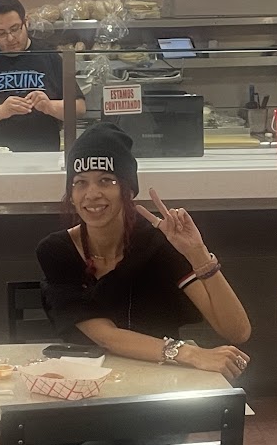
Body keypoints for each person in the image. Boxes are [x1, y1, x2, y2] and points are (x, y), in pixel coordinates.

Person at [38, 125, 251, 374]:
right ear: (72, 196)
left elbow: (237, 331)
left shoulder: (158, 241)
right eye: (80, 183)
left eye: (106, 180)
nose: (92, 194)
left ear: (127, 190)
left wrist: (197, 253)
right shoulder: (57, 251)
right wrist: (189, 353)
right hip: (83, 380)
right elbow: (106, 336)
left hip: (162, 377)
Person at [0, 0, 84, 150]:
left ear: (25, 22)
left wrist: (49, 106)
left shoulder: (49, 56)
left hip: (41, 154)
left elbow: (79, 108)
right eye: (1, 33)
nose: (10, 38)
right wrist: (2, 110)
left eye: (15, 29)